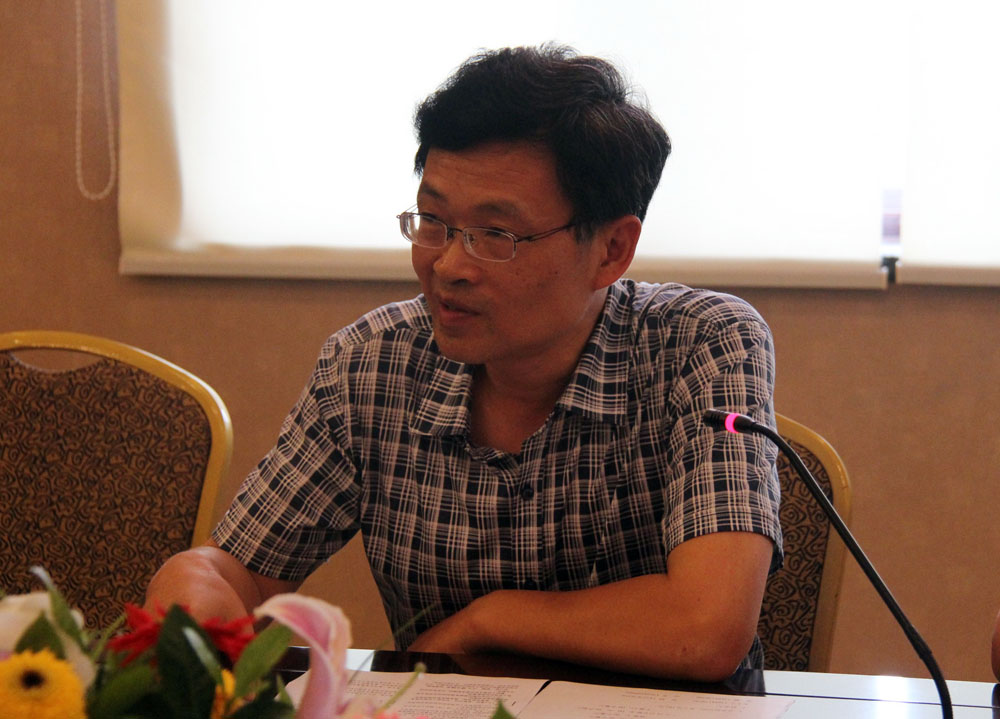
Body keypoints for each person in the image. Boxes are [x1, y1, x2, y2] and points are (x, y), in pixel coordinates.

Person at [146, 44, 782, 681]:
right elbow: (237, 572)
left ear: (612, 249)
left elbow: (706, 628)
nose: (448, 265)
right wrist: (194, 589)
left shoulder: (703, 343)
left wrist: (491, 621)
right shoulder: (370, 364)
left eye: (495, 235)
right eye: (434, 221)